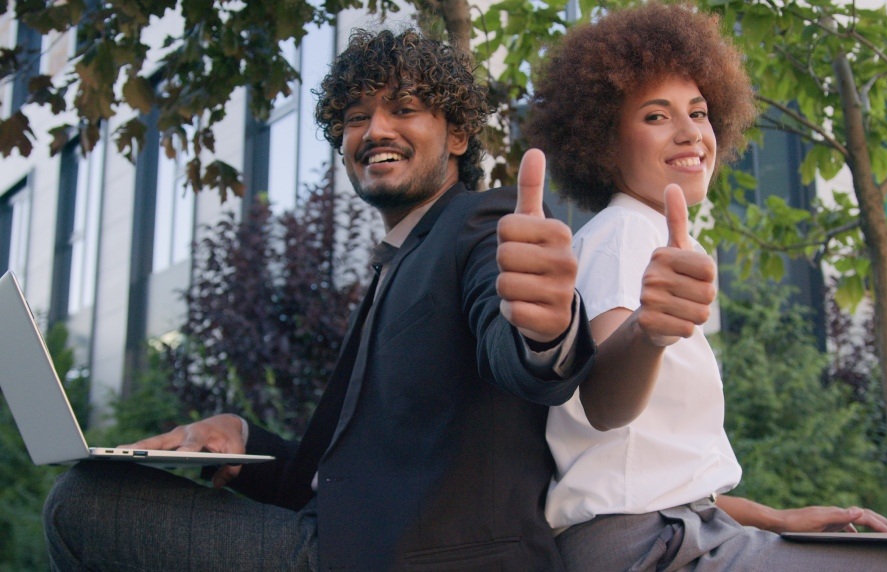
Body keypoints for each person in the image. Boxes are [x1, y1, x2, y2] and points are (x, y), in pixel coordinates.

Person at [43, 27, 597, 570]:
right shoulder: (399, 258)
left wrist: (543, 332)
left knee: (83, 501)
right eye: (356, 118)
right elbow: (333, 487)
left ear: (456, 135)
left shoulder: (479, 225)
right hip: (344, 540)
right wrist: (243, 437)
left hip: (411, 558)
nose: (375, 129)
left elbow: (519, 354)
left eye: (403, 109)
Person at [525, 3, 887, 570]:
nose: (691, 132)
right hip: (651, 552)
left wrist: (774, 518)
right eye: (657, 116)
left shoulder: (641, 236)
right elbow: (603, 403)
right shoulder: (622, 236)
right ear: (603, 142)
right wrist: (650, 332)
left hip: (680, 533)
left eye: (700, 111)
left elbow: (641, 471)